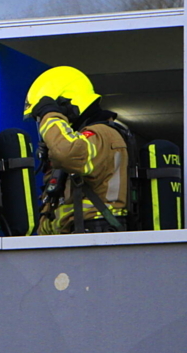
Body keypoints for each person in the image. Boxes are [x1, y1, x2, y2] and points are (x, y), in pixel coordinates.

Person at [24, 66, 130, 233]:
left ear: (68, 107)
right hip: (73, 239)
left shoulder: (103, 135)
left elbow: (68, 154)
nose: (43, 126)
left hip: (96, 239)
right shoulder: (79, 141)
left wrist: (51, 114)